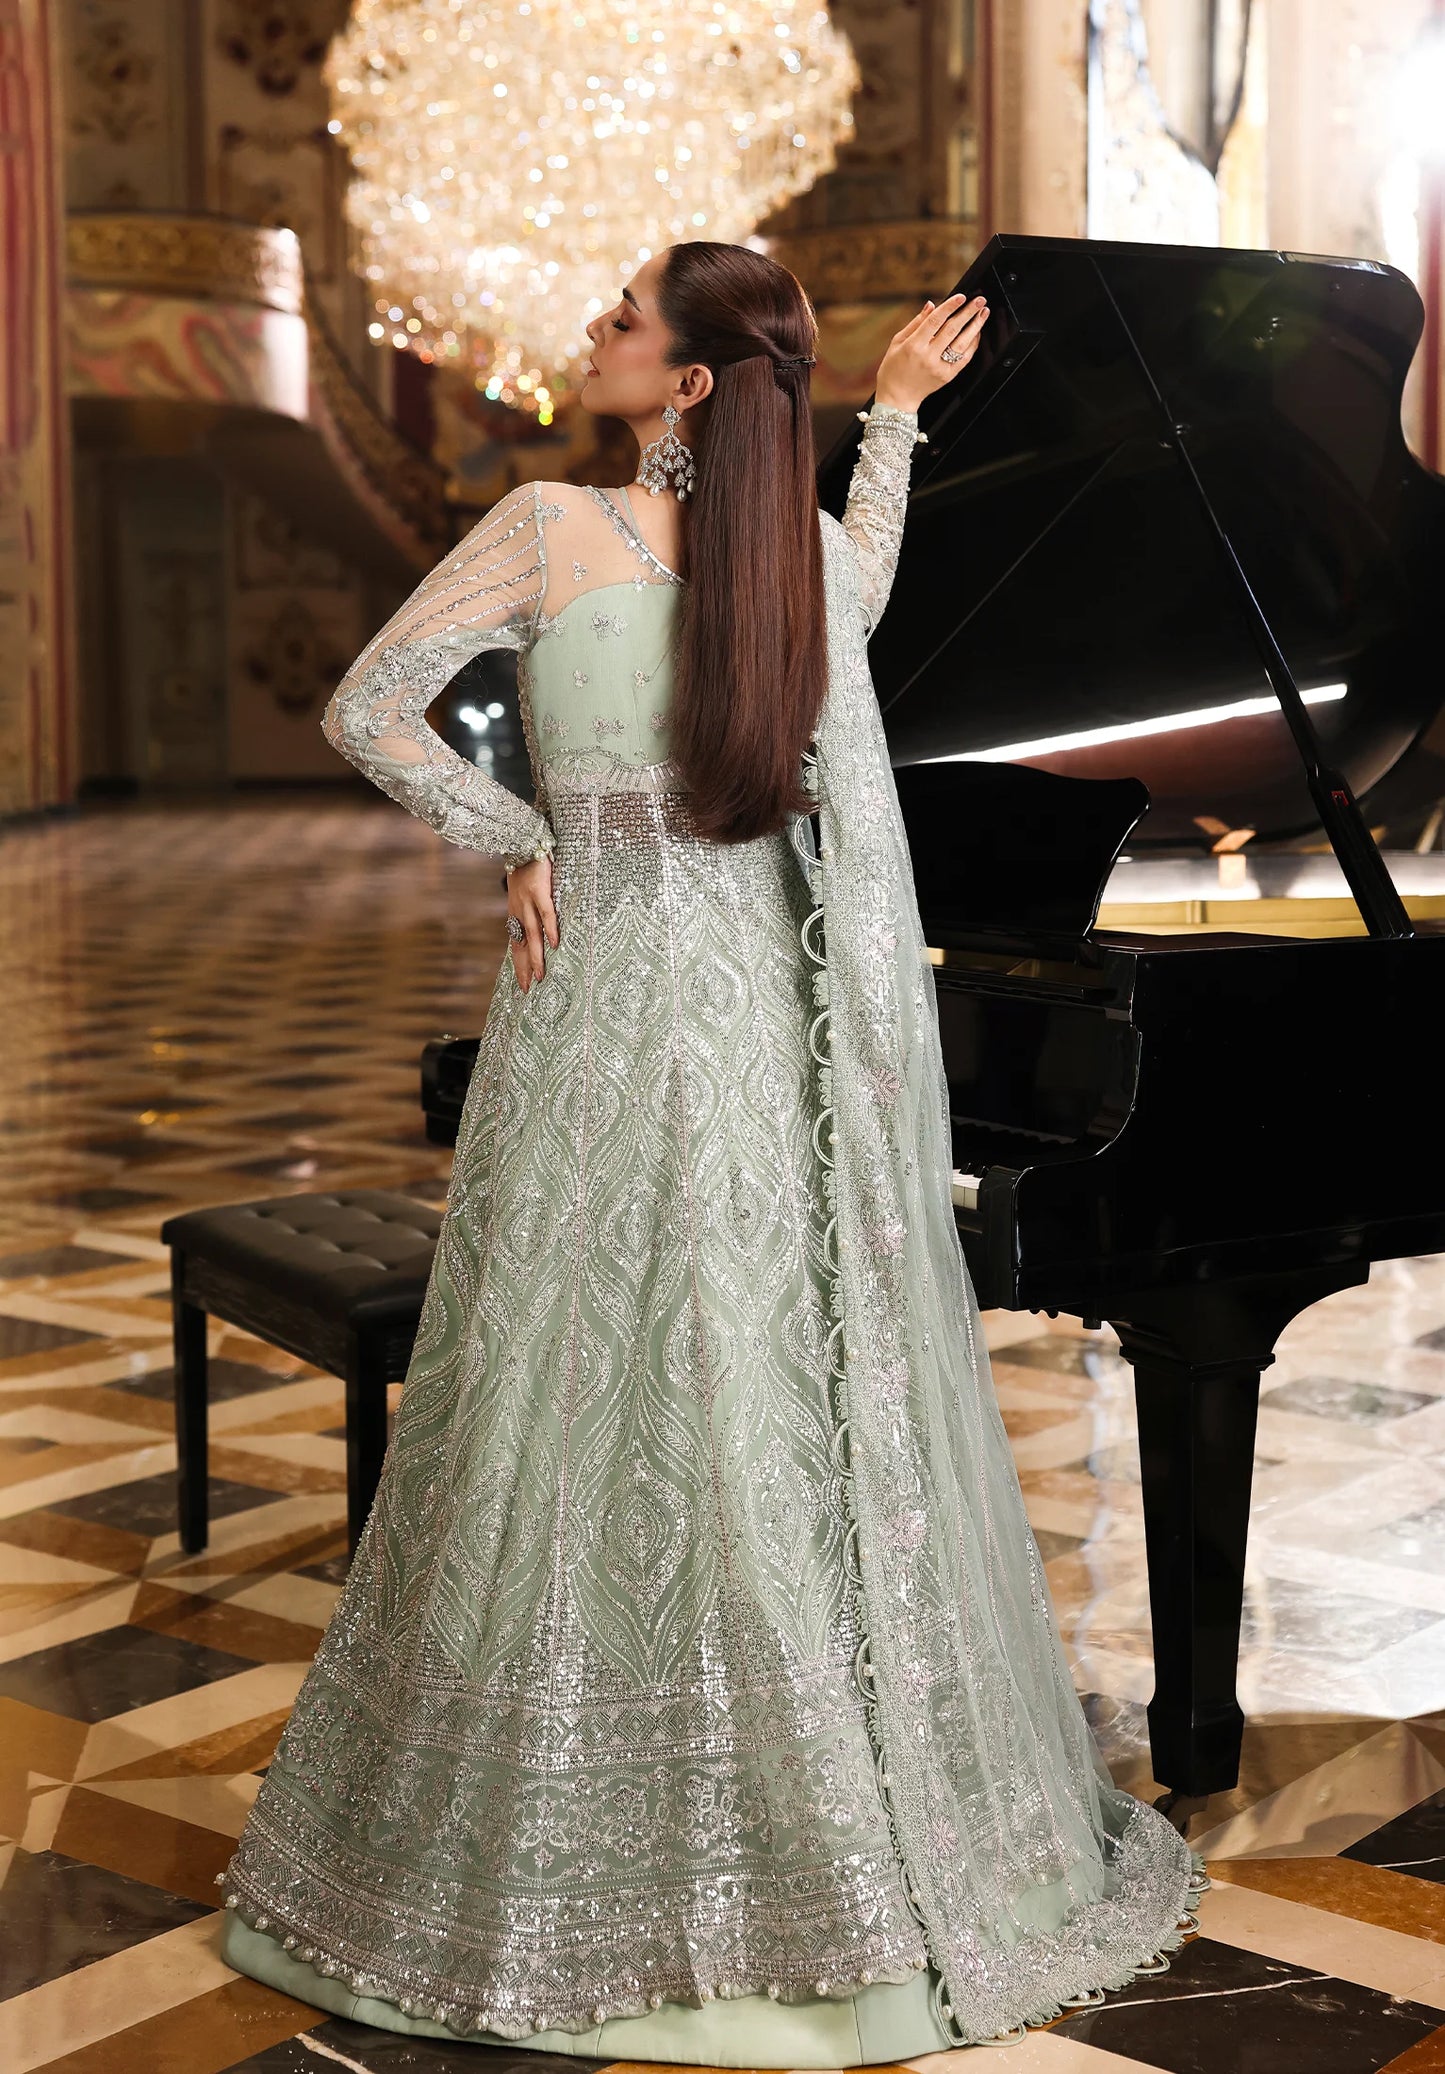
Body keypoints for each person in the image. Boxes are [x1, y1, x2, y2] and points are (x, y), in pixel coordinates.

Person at [217, 240, 1204, 2065]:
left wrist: (512, 824)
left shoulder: (564, 530)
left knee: (623, 1369)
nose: (587, 335)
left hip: (617, 1002)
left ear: (682, 388)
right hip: (748, 1013)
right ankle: (804, 1811)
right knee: (703, 1365)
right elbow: (865, 604)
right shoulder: (777, 554)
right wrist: (889, 426)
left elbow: (368, 706)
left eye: (618, 321)